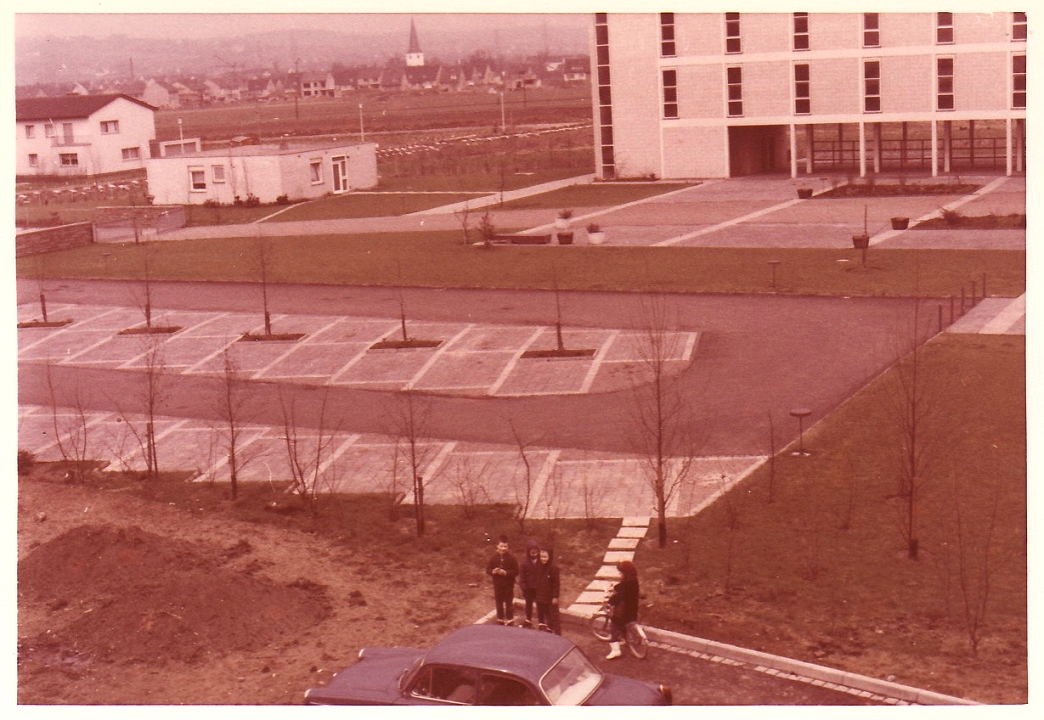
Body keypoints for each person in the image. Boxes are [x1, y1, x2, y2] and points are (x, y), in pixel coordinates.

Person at [605, 560, 639, 659]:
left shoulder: (624, 584)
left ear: (624, 572)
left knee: (613, 626)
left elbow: (618, 597)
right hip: (632, 610)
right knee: (624, 624)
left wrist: (610, 601)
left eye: (620, 572)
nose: (620, 574)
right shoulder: (634, 580)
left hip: (623, 612)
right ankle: (624, 638)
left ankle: (616, 650)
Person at [485, 535, 519, 625]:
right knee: (499, 602)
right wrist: (493, 571)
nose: (503, 549)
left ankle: (510, 619)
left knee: (508, 602)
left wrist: (506, 573)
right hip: (497, 584)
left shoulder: (512, 558)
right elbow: (487, 569)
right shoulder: (493, 558)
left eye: (505, 546)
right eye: (501, 546)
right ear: (497, 546)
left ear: (508, 547)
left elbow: (516, 571)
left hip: (508, 584)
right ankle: (500, 619)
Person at [534, 547, 561, 634]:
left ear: (550, 557)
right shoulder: (538, 566)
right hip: (541, 596)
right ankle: (549, 632)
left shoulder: (553, 568)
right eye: (541, 556)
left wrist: (555, 597)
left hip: (550, 597)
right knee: (546, 616)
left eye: (545, 557)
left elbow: (556, 584)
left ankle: (557, 635)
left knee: (554, 617)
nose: (543, 559)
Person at [517, 539, 541, 628]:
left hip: (539, 588)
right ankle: (528, 620)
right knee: (528, 604)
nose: (534, 553)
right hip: (529, 589)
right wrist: (524, 588)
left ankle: (542, 621)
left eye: (536, 551)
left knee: (540, 604)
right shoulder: (524, 563)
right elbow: (522, 578)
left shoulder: (541, 561)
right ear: (528, 552)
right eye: (532, 551)